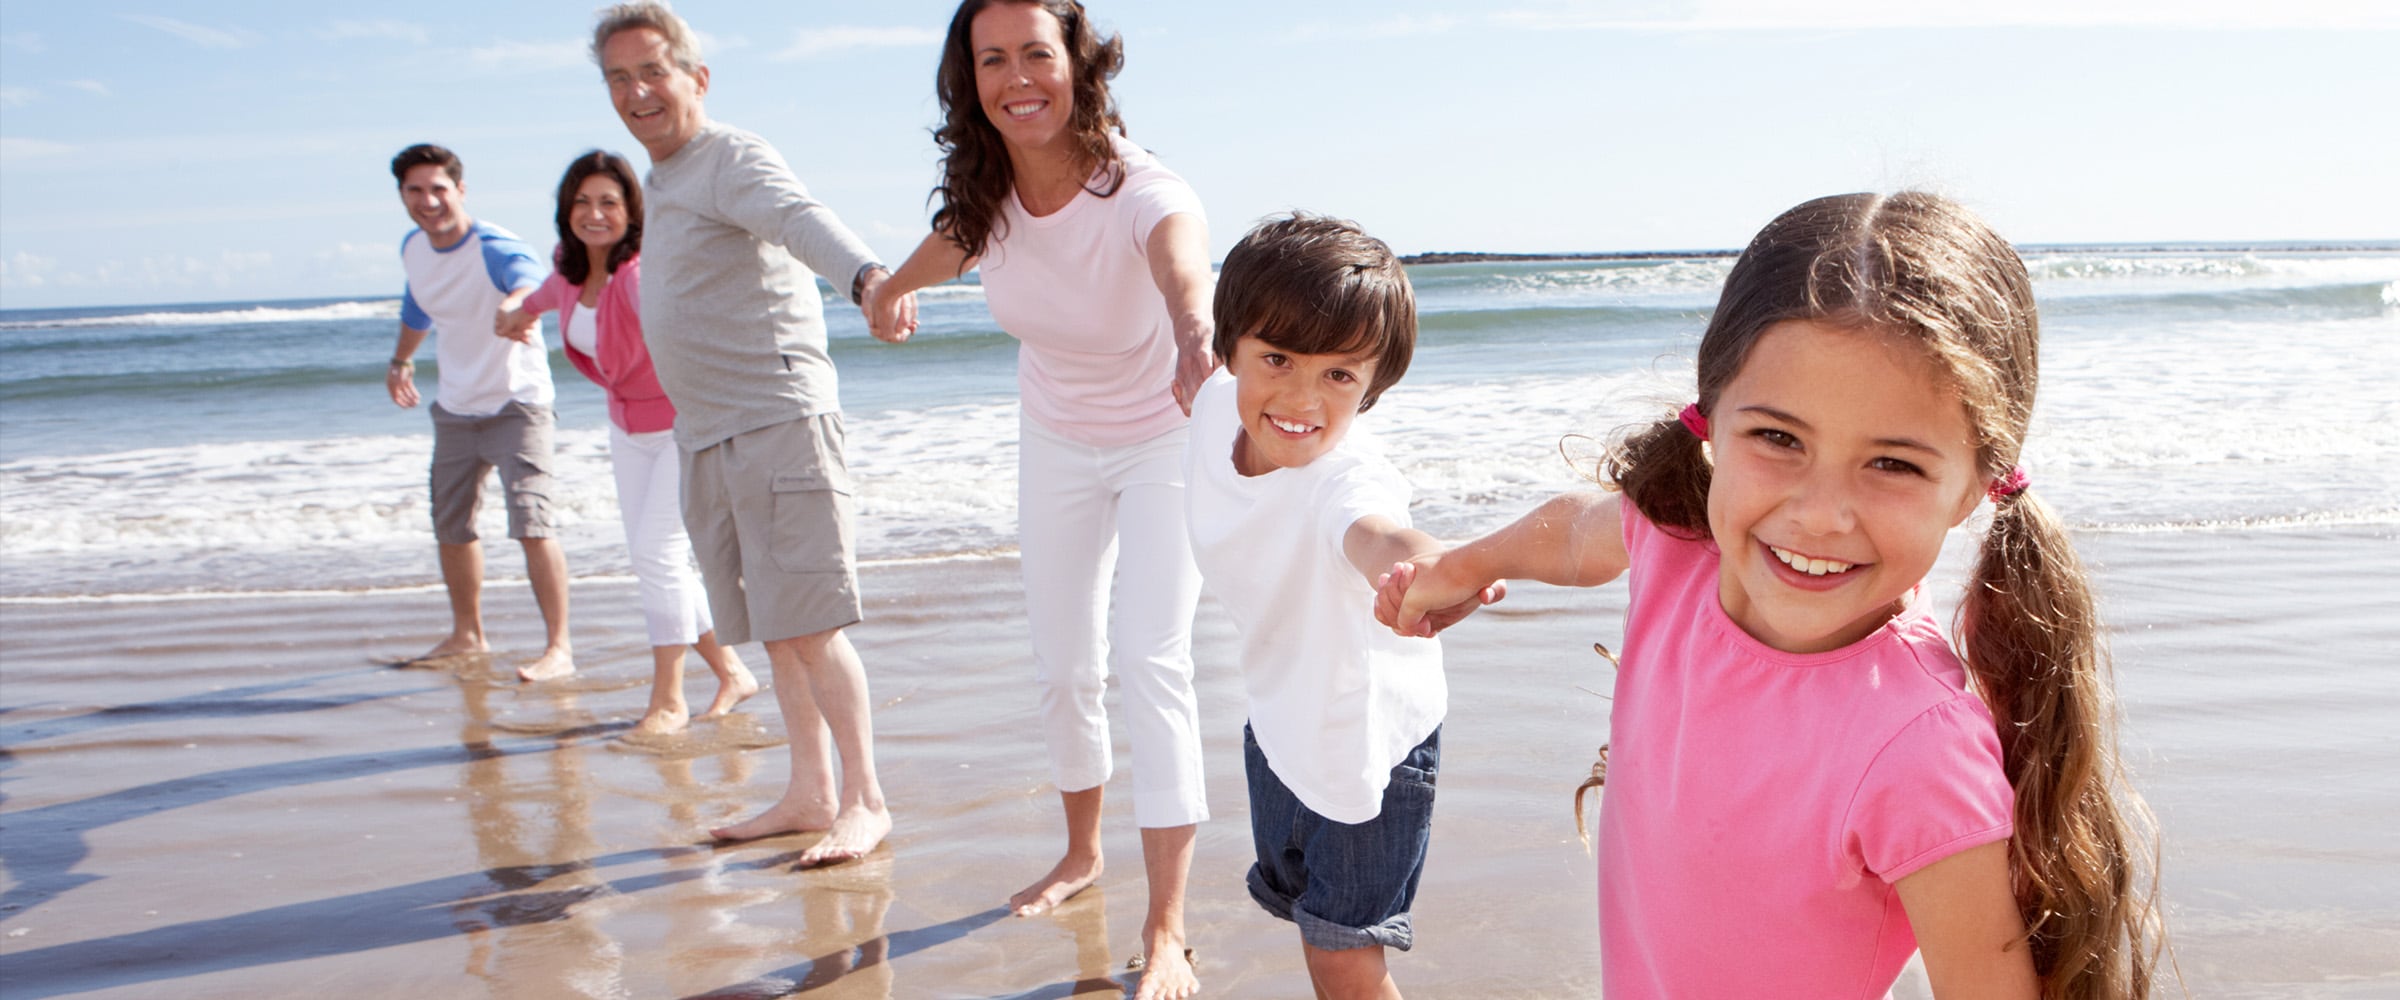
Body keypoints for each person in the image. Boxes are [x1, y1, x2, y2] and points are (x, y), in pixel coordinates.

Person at [1380, 192, 2166, 999]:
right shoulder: (1681, 547)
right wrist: (1461, 568)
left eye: (1893, 463)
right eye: (1778, 439)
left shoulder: (1919, 749)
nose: (1820, 513)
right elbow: (1579, 534)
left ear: (1975, 489)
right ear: (1710, 422)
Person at [864, 2, 1216, 993]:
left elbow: (1177, 253)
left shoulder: (1140, 185)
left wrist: (1196, 330)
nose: (1018, 77)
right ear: (968, 78)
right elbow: (950, 244)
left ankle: (1167, 925)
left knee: (1152, 659)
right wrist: (891, 289)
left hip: (1162, 437)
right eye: (992, 59)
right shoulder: (987, 192)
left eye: (1036, 54)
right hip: (1057, 439)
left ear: (1078, 64)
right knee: (1065, 663)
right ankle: (1082, 851)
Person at [589, 1, 914, 866]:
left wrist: (868, 277)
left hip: (777, 420)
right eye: (618, 78)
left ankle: (864, 798)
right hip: (710, 435)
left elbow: (798, 217)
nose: (637, 92)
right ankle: (808, 792)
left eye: (652, 70)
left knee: (812, 623)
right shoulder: (660, 179)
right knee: (775, 623)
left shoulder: (728, 154)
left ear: (696, 77)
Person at [1183, 214, 1501, 1000]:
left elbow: (1378, 533)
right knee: (1308, 925)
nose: (1300, 399)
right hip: (1280, 719)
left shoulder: (1344, 480)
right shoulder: (1213, 407)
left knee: (1343, 959)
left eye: (1339, 376)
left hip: (1369, 742)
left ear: (1374, 386)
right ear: (1233, 351)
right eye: (1277, 359)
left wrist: (1436, 569)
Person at [495, 150, 759, 735]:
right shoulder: (570, 273)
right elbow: (537, 301)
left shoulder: (639, 276)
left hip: (679, 427)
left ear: (630, 210)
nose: (595, 213)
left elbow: (690, 328)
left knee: (657, 554)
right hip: (626, 430)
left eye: (608, 202)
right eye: (582, 202)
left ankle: (668, 700)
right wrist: (512, 311)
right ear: (566, 212)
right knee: (654, 557)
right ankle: (733, 671)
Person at [384, 142, 576, 683]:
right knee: (451, 524)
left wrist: (515, 304)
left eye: (439, 189)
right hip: (456, 406)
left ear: (460, 190)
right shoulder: (414, 248)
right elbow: (417, 304)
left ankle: (558, 648)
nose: (429, 201)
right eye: (415, 191)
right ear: (402, 196)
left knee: (531, 524)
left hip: (518, 403)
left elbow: (530, 281)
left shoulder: (493, 245)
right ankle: (468, 634)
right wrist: (401, 360)